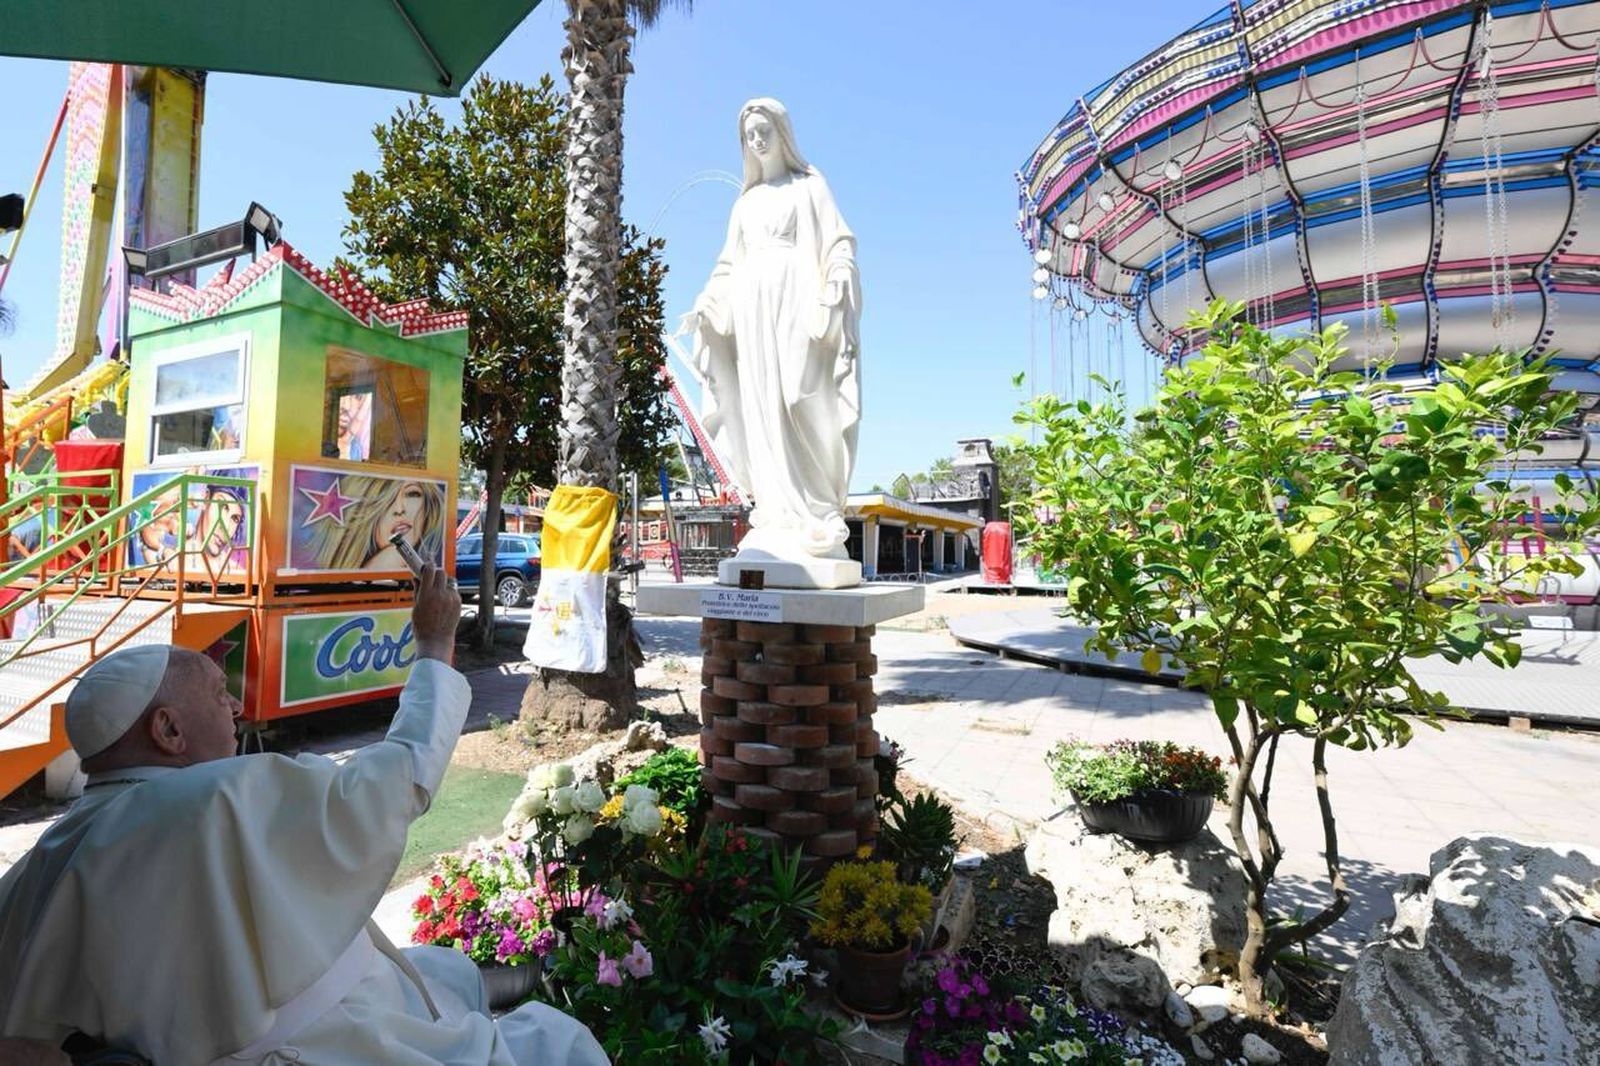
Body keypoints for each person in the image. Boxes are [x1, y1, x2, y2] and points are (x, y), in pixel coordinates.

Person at [0, 566, 607, 1066]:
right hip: (330, 1043)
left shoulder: (35, 870)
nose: (236, 704)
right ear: (168, 730)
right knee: (560, 1045)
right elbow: (397, 780)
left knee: (439, 969)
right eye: (218, 692)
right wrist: (433, 646)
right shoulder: (217, 798)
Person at [681, 97, 862, 563]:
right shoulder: (746, 203)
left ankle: (818, 509)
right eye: (749, 136)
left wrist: (839, 274)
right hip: (751, 311)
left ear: (783, 134)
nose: (757, 141)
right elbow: (727, 265)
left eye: (764, 131)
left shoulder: (809, 186)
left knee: (800, 397)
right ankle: (778, 513)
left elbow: (839, 240)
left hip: (798, 300)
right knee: (760, 406)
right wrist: (706, 304)